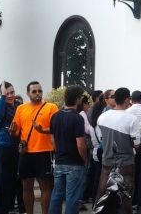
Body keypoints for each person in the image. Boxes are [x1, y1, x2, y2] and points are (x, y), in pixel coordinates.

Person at [10, 81, 59, 214]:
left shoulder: (51, 107)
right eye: (34, 91)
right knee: (26, 185)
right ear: (28, 94)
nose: (37, 94)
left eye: (40, 91)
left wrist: (42, 130)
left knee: (45, 186)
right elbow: (16, 132)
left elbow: (56, 128)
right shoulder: (21, 109)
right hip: (26, 153)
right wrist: (12, 130)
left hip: (44, 152)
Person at [96, 87, 140, 214]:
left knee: (103, 194)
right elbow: (137, 144)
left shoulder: (102, 117)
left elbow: (101, 139)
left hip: (107, 161)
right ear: (127, 100)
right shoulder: (131, 119)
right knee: (125, 197)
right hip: (125, 163)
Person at [49, 86, 88, 214]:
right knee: (72, 197)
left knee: (56, 195)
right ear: (77, 99)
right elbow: (81, 145)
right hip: (75, 162)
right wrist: (84, 160)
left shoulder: (55, 116)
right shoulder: (77, 118)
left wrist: (58, 152)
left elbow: (52, 139)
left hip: (59, 161)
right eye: (82, 98)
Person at [0, 81, 24, 214]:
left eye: (12, 92)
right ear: (1, 94)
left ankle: (21, 209)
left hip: (17, 147)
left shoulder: (18, 106)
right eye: (7, 93)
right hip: (3, 147)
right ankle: (1, 211)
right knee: (2, 182)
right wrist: (3, 97)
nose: (10, 95)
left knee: (19, 181)